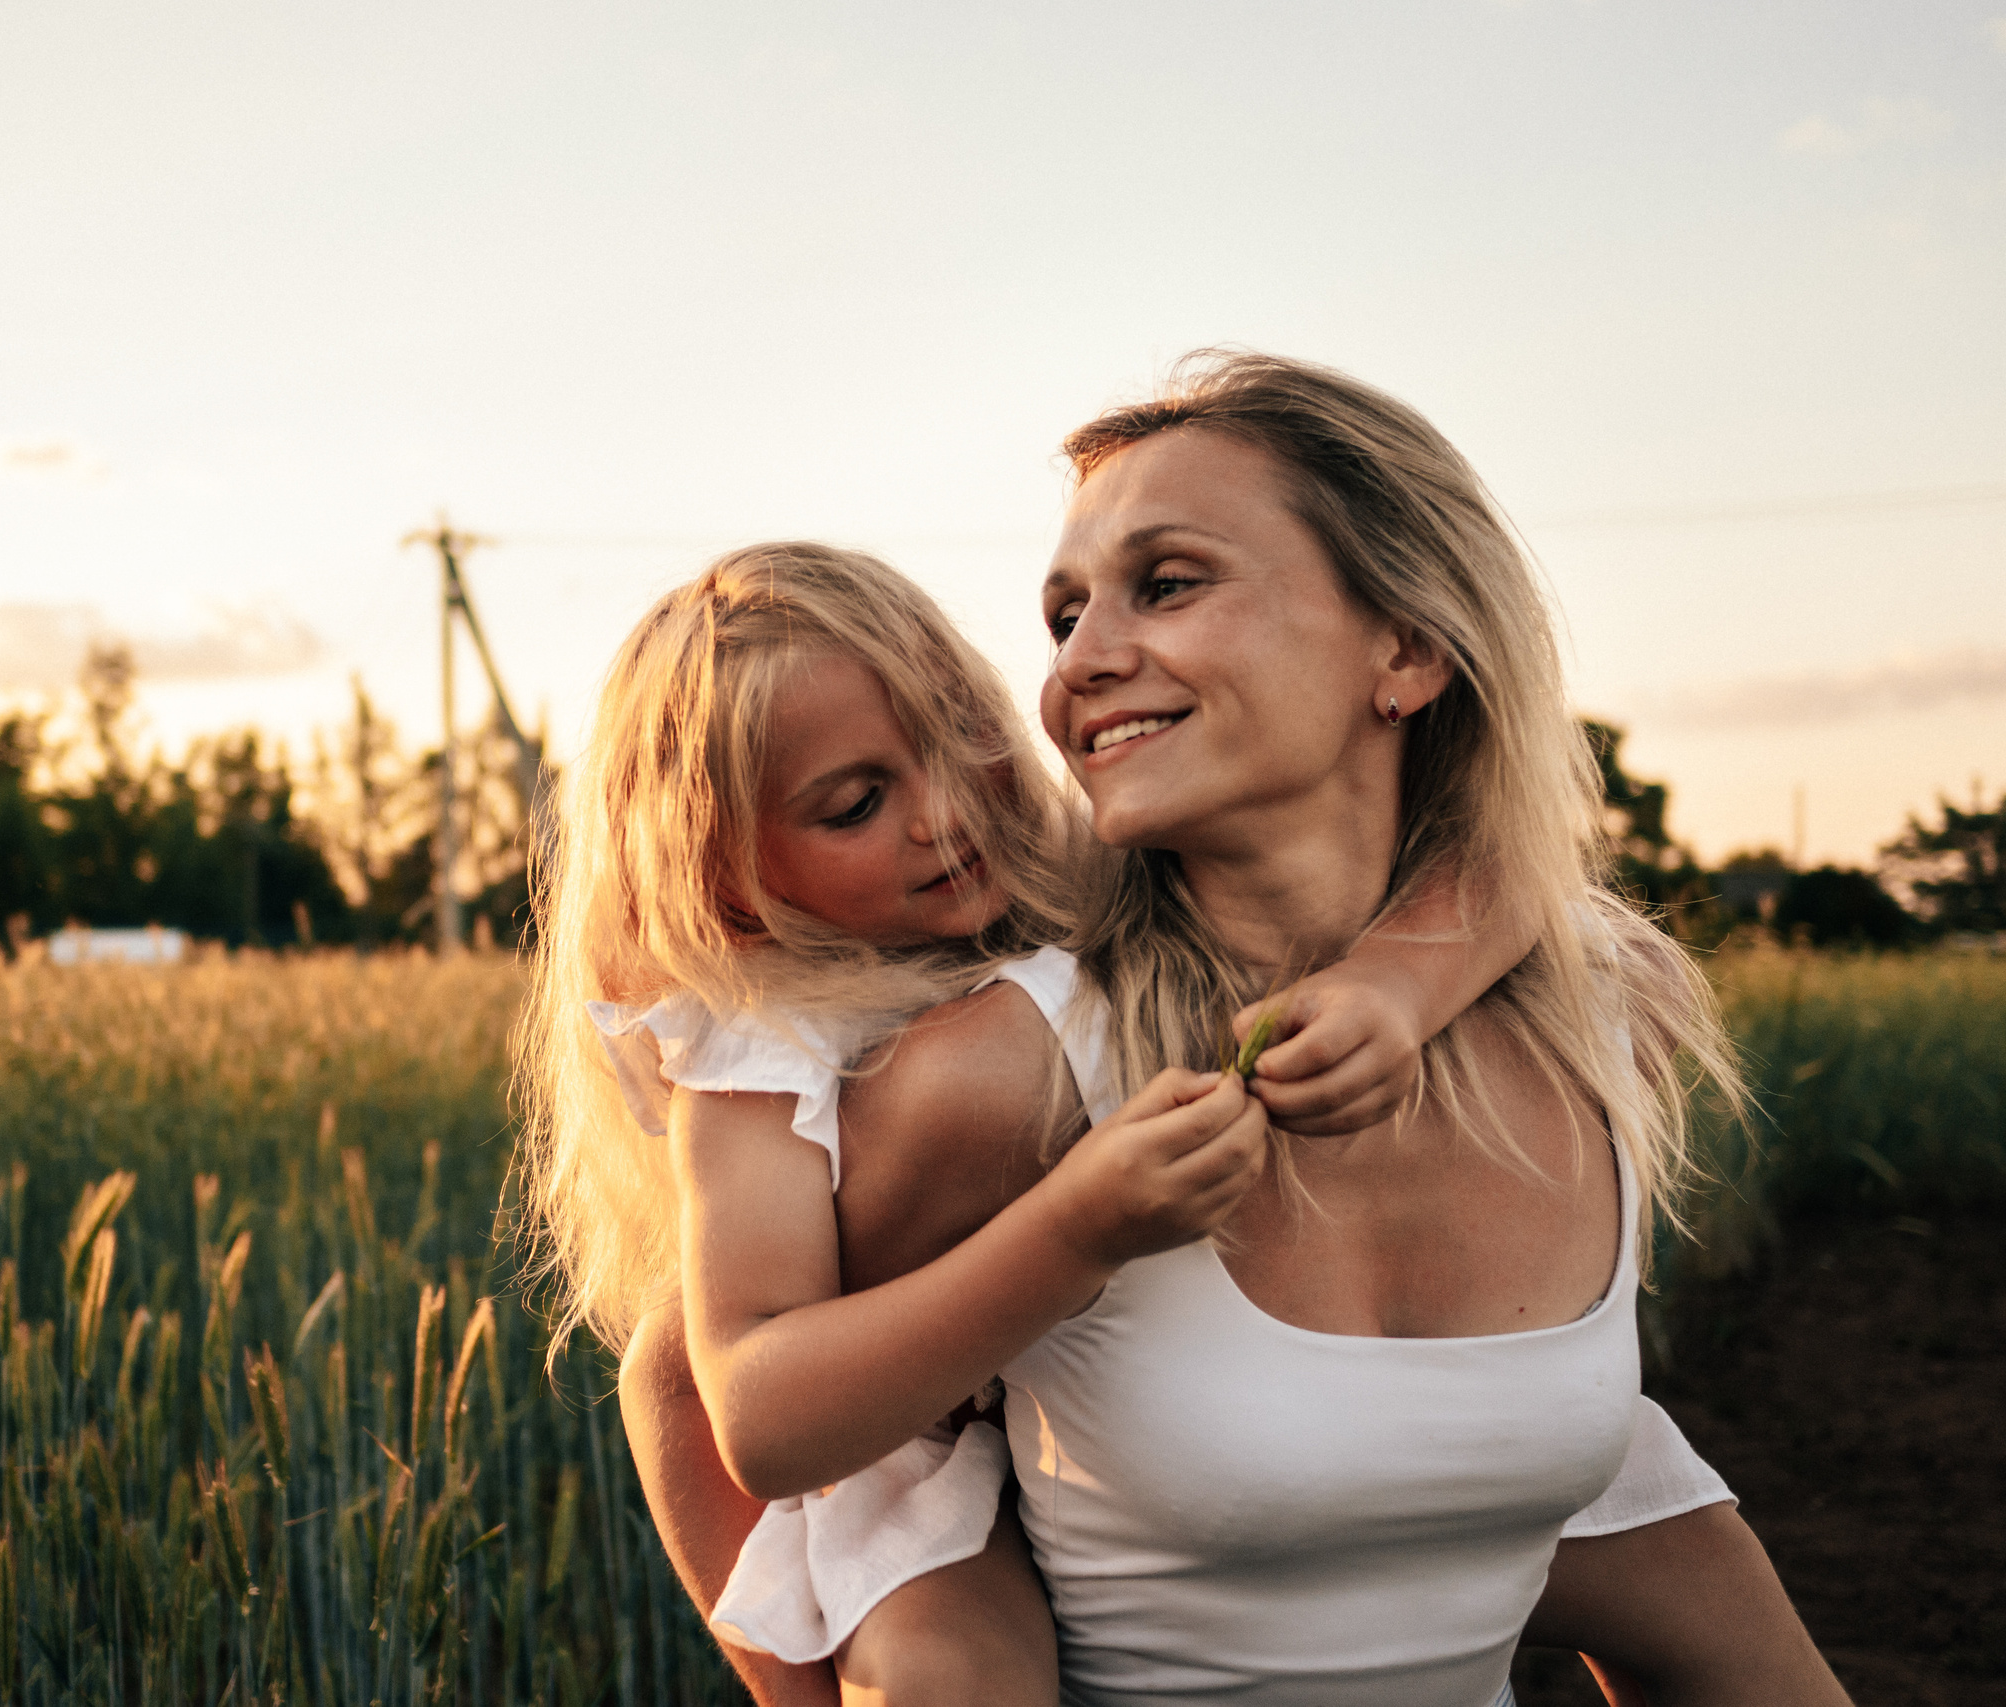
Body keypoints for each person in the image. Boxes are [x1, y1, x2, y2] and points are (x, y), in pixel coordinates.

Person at [621, 353, 1850, 1706]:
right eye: (1063, 615)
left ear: (1408, 648)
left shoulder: (1604, 1013)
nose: (1079, 661)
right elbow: (691, 1376)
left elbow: (1530, 1518)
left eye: (1166, 582)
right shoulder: (1006, 1074)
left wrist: (1400, 980)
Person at [516, 540, 1538, 1705]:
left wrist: (1398, 984)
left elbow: (1519, 867)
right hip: (908, 1452)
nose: (947, 809)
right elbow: (748, 1411)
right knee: (953, 1671)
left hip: (1108, 1407)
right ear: (728, 882)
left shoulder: (1071, 872)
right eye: (857, 804)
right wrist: (1077, 1229)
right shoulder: (754, 1041)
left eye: (965, 733)